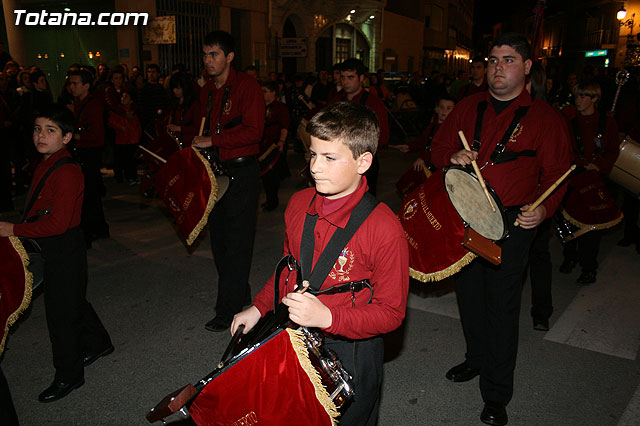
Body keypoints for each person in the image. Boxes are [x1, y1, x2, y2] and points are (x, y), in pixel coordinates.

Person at [232, 101, 409, 426]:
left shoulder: (385, 227)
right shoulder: (298, 204)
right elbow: (289, 269)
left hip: (352, 347)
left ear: (363, 162)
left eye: (329, 157)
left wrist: (327, 316)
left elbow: (392, 312)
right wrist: (258, 308)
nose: (315, 167)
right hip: (297, 336)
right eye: (312, 154)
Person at [430, 33, 572, 426]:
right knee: (470, 298)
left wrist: (543, 209)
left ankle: (496, 393)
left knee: (501, 308)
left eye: (508, 60)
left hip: (512, 224)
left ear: (527, 67)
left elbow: (558, 174)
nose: (497, 68)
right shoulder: (468, 105)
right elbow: (438, 148)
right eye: (493, 60)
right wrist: (451, 156)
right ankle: (476, 359)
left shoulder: (545, 118)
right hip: (465, 217)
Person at [0, 104, 113, 403]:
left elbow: (58, 223)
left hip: (62, 245)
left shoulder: (67, 171)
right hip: (56, 243)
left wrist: (14, 229)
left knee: (60, 316)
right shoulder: (47, 161)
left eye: (50, 131)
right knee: (72, 299)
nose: (41, 136)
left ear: (66, 137)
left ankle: (69, 375)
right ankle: (100, 342)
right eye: (38, 129)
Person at [191, 30, 265, 332]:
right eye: (206, 55)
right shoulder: (207, 90)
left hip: (243, 171)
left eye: (214, 55)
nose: (208, 61)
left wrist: (214, 140)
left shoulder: (247, 86)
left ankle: (228, 309)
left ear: (230, 56)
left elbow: (254, 131)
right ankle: (240, 292)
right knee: (220, 242)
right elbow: (200, 128)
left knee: (237, 243)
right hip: (216, 172)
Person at [559, 81, 620, 284]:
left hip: (595, 178)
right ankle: (570, 256)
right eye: (577, 96)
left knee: (591, 227)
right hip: (574, 176)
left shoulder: (607, 122)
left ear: (594, 99)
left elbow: (613, 150)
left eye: (583, 96)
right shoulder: (570, 120)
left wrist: (600, 165)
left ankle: (589, 267)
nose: (578, 100)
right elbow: (564, 147)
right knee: (567, 222)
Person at [328, 58, 389, 196]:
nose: (345, 82)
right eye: (342, 77)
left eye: (350, 77)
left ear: (361, 78)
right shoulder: (336, 101)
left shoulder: (374, 103)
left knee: (365, 204)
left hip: (365, 163)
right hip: (339, 162)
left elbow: (383, 137)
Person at [68, 69, 110, 245]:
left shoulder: (92, 105)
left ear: (86, 86)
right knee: (89, 194)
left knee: (88, 194)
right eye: (70, 83)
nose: (71, 87)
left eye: (75, 83)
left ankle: (91, 230)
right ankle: (98, 228)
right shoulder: (79, 102)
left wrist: (76, 137)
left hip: (89, 153)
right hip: (84, 152)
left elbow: (98, 136)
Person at [259, 80, 290, 211]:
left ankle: (272, 201)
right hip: (261, 146)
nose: (262, 94)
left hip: (274, 145)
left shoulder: (280, 107)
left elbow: (284, 126)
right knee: (265, 177)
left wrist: (282, 142)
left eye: (265, 91)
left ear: (273, 93)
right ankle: (269, 200)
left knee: (272, 176)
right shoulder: (259, 107)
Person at [107, 91, 141, 184]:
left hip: (131, 139)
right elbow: (112, 121)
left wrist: (137, 136)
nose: (123, 98)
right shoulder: (118, 110)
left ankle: (132, 176)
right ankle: (124, 177)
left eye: (126, 97)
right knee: (122, 159)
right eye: (122, 96)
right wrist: (121, 127)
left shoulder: (133, 111)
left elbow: (137, 126)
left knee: (131, 159)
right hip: (121, 139)